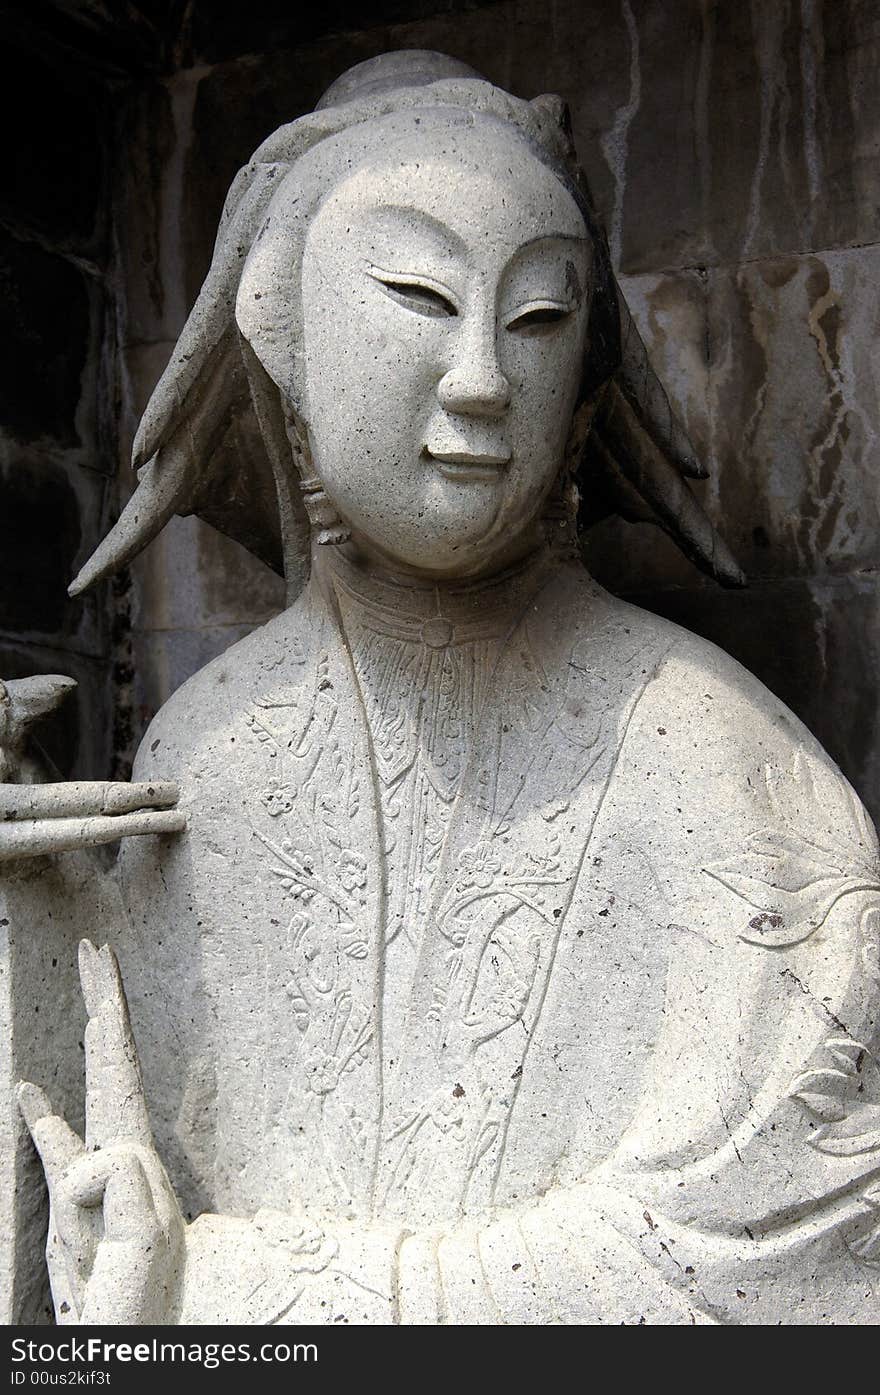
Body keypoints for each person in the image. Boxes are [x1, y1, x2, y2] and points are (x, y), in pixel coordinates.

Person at [6, 52, 880, 1325]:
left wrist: (240, 1292)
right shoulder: (207, 750)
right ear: (280, 326)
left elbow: (791, 1252)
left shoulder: (718, 765)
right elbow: (89, 1199)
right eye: (418, 297)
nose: (481, 377)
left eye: (534, 318)